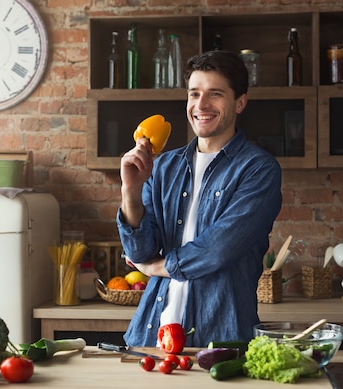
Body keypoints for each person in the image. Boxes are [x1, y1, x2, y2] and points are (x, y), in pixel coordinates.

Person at [116, 50, 282, 347]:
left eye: (215, 94)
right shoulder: (163, 166)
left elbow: (218, 249)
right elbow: (140, 252)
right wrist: (130, 190)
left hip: (219, 340)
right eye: (194, 94)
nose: (201, 105)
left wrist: (157, 268)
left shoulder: (258, 169)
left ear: (240, 103)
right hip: (150, 337)